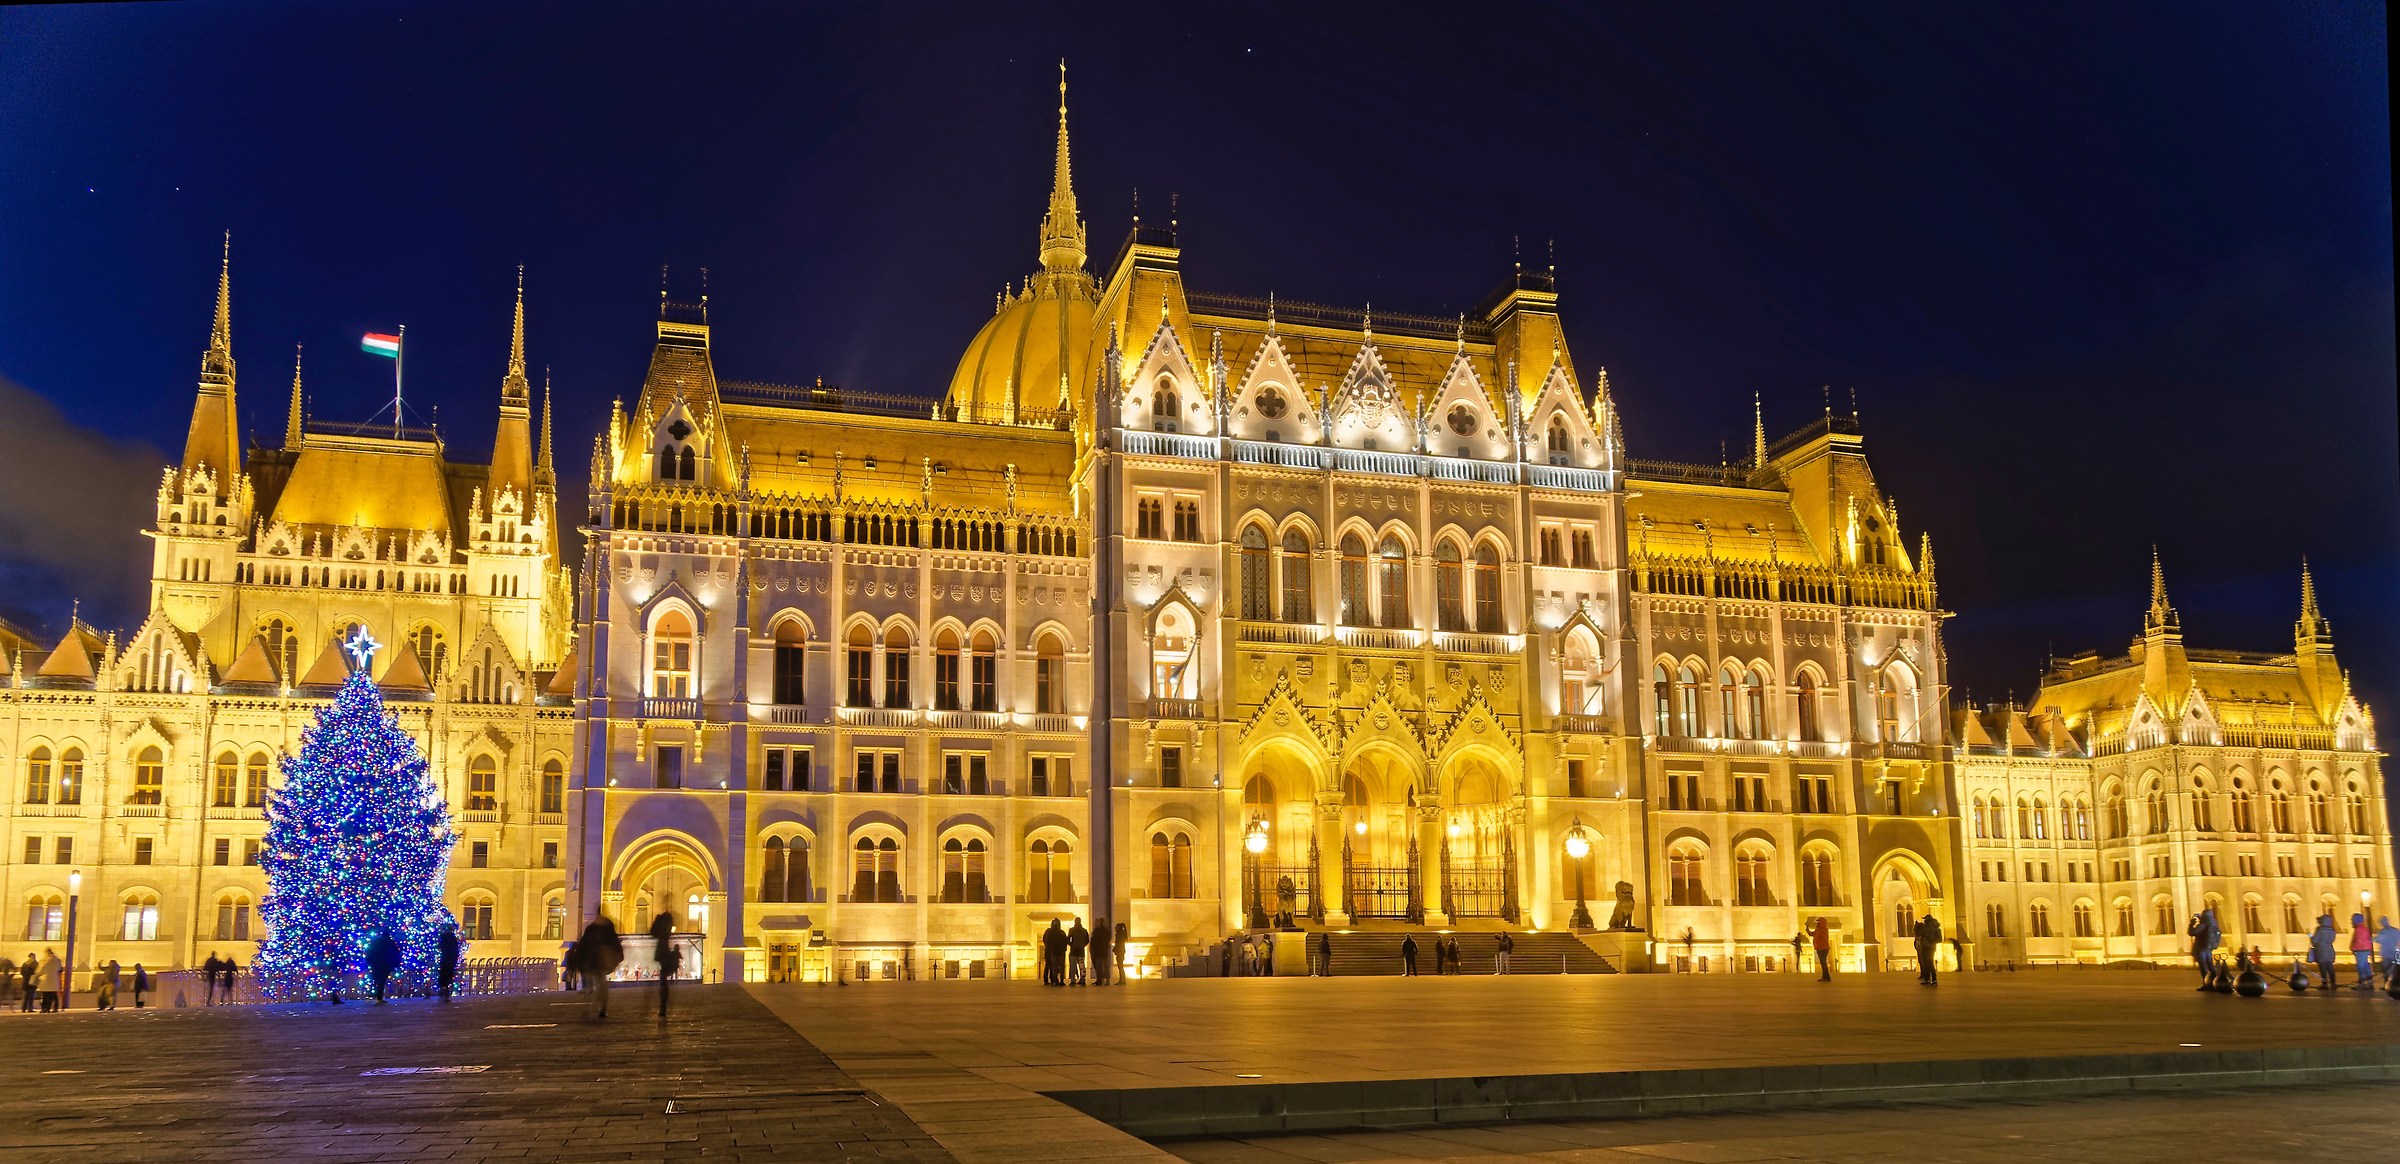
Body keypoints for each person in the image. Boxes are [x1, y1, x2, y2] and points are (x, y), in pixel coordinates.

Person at [577, 912, 623, 1018]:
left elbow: (582, 946)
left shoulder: (591, 929)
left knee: (594, 984)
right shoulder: (608, 928)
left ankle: (592, 1006)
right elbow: (615, 943)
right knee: (601, 984)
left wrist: (580, 962)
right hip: (601, 961)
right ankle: (601, 1007)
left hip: (594, 961)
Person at [649, 909, 678, 1016]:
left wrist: (658, 918)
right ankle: (663, 1005)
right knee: (663, 979)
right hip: (664, 953)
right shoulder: (667, 930)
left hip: (663, 953)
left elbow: (653, 932)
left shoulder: (663, 932)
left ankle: (663, 1006)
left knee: (663, 980)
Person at [2188, 909, 2222, 990]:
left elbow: (2192, 932)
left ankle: (2206, 984)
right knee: (2210, 965)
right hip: (2208, 948)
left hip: (2201, 947)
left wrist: (2191, 924)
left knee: (2203, 966)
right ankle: (2216, 982)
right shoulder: (2213, 924)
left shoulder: (2203, 925)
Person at [365, 930, 402, 1003]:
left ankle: (375, 993)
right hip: (386, 964)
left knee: (376, 978)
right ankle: (379, 996)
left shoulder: (376, 942)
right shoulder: (391, 943)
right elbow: (396, 953)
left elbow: (369, 951)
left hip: (375, 963)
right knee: (382, 979)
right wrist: (395, 964)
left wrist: (369, 961)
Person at [2310, 914, 2339, 988]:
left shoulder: (2319, 930)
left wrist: (2311, 937)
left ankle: (2324, 984)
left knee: (2322, 968)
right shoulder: (2332, 930)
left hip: (2321, 950)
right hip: (2329, 949)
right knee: (2330, 967)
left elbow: (2314, 940)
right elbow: (2332, 940)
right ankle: (2333, 983)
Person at [1914, 914, 1942, 986]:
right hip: (1932, 947)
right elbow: (1939, 939)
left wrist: (1918, 927)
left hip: (1926, 946)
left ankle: (1928, 979)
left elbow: (1918, 933)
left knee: (1927, 963)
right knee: (1929, 963)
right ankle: (1933, 979)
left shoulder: (1926, 927)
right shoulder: (1936, 928)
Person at [437, 920, 462, 1002]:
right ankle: (446, 992)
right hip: (450, 960)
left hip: (445, 959)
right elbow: (455, 950)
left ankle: (443, 990)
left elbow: (440, 947)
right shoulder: (453, 938)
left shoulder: (442, 938)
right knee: (448, 975)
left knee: (443, 975)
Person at [2349, 913, 2375, 989]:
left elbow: (2357, 941)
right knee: (2365, 966)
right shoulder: (2364, 929)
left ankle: (2362, 983)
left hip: (2360, 950)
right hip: (2365, 949)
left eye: (2352, 920)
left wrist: (2353, 948)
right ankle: (2369, 983)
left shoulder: (2358, 930)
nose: (2351, 922)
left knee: (2360, 967)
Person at [1041, 918, 1067, 986]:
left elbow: (1046, 940)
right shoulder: (1061, 932)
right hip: (1059, 952)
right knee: (1058, 967)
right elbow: (1065, 941)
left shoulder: (1049, 932)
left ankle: (1053, 980)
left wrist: (1049, 948)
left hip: (1053, 951)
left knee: (1052, 966)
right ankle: (1058, 980)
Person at [2376, 917, 2400, 987]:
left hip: (2386, 954)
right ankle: (2394, 984)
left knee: (2386, 970)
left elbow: (2378, 940)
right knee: (2395, 970)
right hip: (2394, 953)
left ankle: (2387, 984)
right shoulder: (2395, 930)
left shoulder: (2382, 932)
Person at [1067, 918, 1090, 986]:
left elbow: (1068, 939)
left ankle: (1073, 980)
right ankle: (1082, 979)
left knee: (1073, 966)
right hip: (1081, 950)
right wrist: (1083, 945)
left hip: (1073, 951)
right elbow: (1087, 940)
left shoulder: (1072, 930)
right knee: (1082, 966)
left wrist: (1072, 945)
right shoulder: (1084, 930)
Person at [38, 948, 62, 1012]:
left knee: (44, 995)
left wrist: (37, 974)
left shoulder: (45, 961)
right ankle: (49, 1008)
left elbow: (40, 970)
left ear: (47, 953)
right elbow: (59, 969)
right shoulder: (56, 961)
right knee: (52, 996)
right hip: (54, 980)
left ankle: (44, 1008)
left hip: (45, 981)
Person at [1811, 917, 1833, 981]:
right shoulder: (1817, 930)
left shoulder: (1824, 930)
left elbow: (1824, 939)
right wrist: (1807, 929)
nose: (1817, 923)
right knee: (1822, 963)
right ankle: (1825, 977)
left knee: (1823, 963)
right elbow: (1812, 934)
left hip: (1823, 948)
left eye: (1819, 922)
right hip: (1819, 948)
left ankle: (1827, 977)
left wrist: (1818, 943)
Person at [1090, 917, 1110, 986]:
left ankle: (1099, 980)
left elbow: (1094, 941)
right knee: (1105, 966)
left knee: (1099, 967)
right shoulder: (1106, 931)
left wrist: (1093, 949)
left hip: (1098, 951)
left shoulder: (1097, 931)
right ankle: (1107, 980)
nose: (1095, 924)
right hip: (1104, 951)